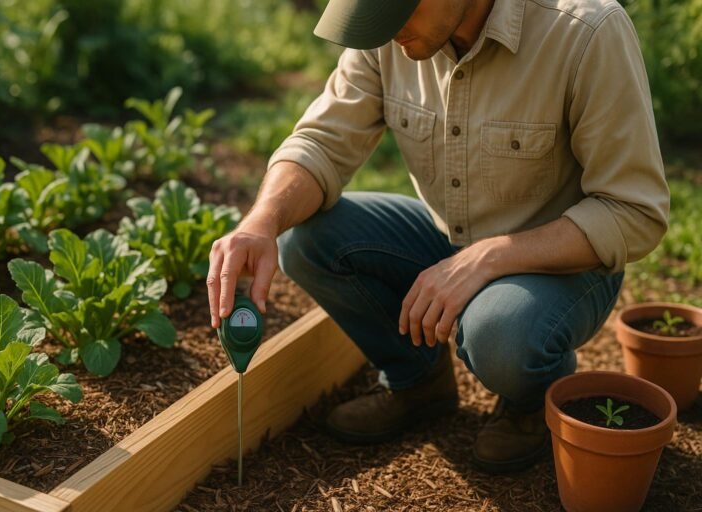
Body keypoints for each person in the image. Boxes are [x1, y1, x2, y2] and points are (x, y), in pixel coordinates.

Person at [206, 0, 669, 473]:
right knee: (305, 238)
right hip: (450, 238)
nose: (387, 37)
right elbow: (322, 142)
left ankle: (529, 403)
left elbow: (633, 211)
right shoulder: (389, 35)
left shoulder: (586, 31)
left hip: (566, 263)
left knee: (498, 333)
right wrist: (258, 223)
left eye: (393, 17)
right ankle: (418, 381)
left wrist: (488, 259)